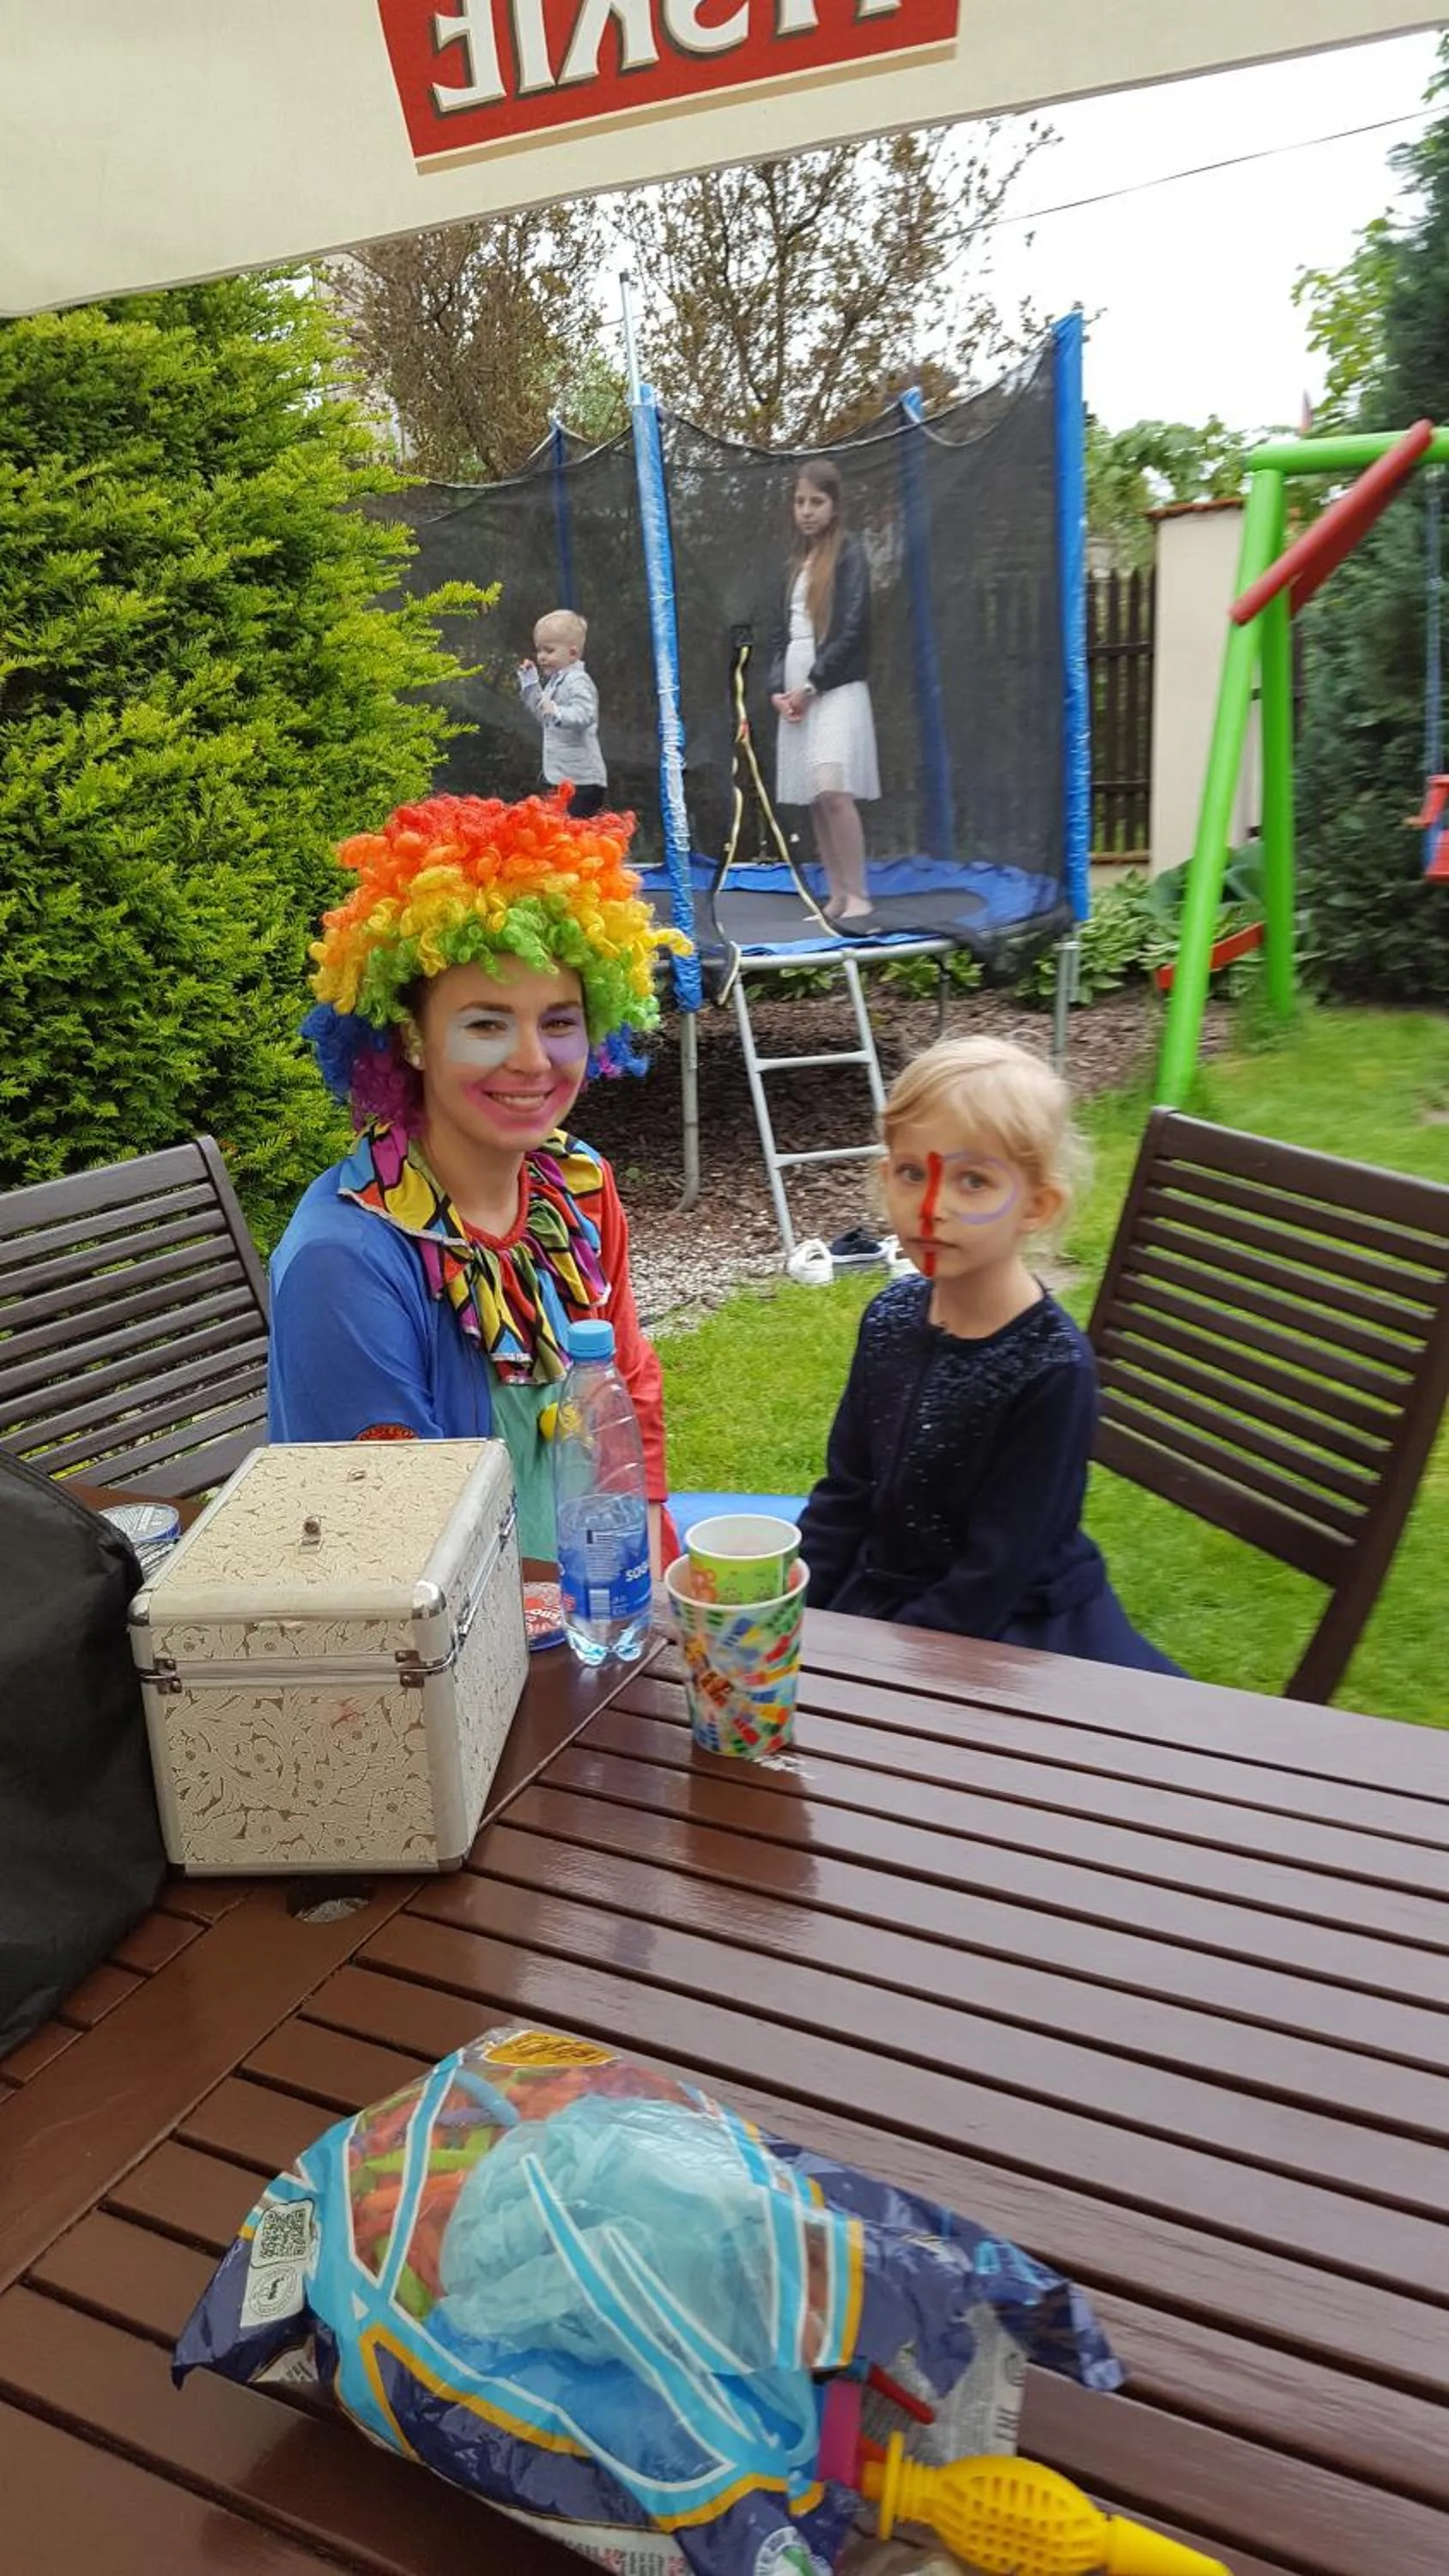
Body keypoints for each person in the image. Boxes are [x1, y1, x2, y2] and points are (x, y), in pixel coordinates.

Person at [269, 793, 688, 1571]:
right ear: (412, 1041)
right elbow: (393, 1537)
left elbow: (630, 1386)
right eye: (487, 1023)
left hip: (598, 1601)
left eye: (559, 1021)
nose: (533, 1060)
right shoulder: (347, 1259)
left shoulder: (579, 1185)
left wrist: (651, 1554)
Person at [799, 1037, 1179, 1670]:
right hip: (890, 1594)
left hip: (1007, 1633)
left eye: (973, 1181)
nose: (932, 1209)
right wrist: (795, 1612)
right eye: (912, 1172)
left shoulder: (1051, 1370)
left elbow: (994, 1573)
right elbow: (846, 1492)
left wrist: (870, 1673)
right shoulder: (890, 1319)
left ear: (1037, 1206)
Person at [769, 461, 879, 930]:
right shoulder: (798, 563)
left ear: (834, 506)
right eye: (800, 502)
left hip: (831, 685)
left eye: (817, 502)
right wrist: (779, 689)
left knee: (834, 788)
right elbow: (783, 634)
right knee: (815, 794)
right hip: (798, 686)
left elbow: (854, 627)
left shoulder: (849, 554)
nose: (807, 511)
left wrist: (813, 683)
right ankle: (836, 893)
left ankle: (859, 894)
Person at [518, 610, 608, 819]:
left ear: (573, 653)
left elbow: (586, 715)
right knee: (559, 832)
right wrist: (531, 684)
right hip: (561, 777)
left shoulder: (578, 681)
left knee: (577, 834)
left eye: (549, 651)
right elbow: (544, 715)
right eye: (539, 650)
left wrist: (557, 711)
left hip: (583, 781)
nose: (541, 657)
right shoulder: (556, 682)